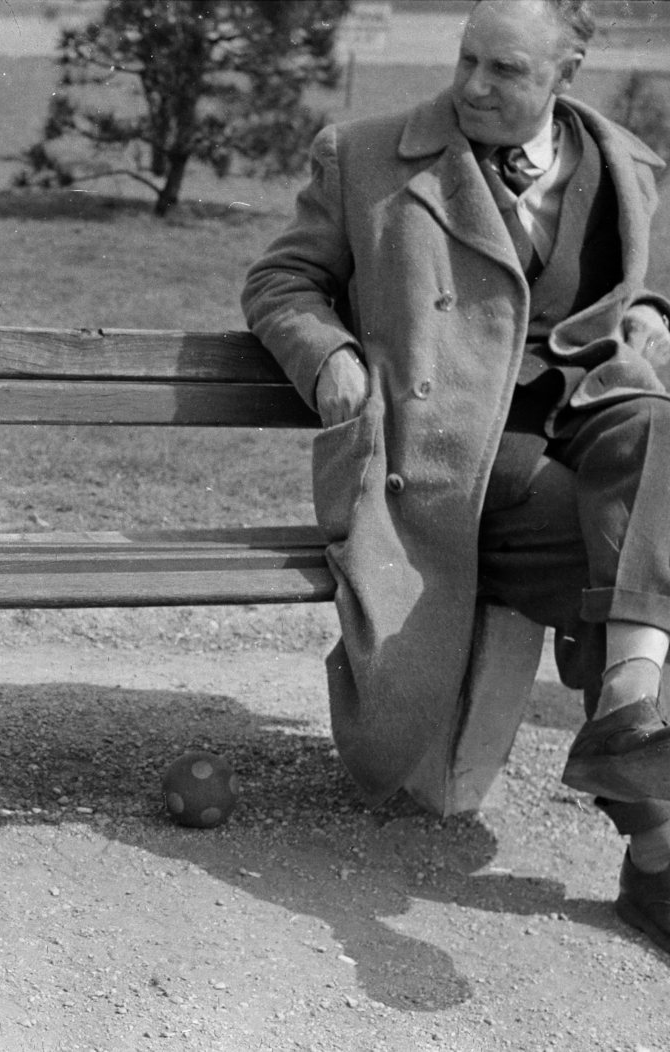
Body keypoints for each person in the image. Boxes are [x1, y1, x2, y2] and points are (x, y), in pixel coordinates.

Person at [242, 0, 670, 950]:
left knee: (656, 442)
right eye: (468, 59)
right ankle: (657, 851)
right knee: (636, 555)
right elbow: (280, 282)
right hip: (458, 454)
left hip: (588, 414)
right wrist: (329, 358)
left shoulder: (626, 163)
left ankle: (639, 727)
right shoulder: (367, 154)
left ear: (569, 71)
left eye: (506, 70)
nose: (474, 84)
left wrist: (649, 314)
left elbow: (632, 283)